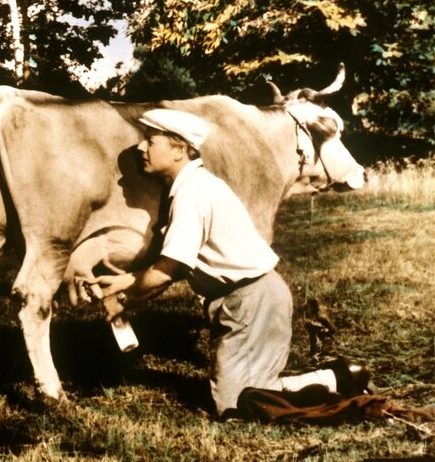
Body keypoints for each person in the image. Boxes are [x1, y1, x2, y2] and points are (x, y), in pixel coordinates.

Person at [86, 109, 369, 419]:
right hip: (247, 299)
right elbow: (177, 262)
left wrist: (124, 298)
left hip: (251, 300)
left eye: (151, 141)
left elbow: (170, 269)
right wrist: (122, 282)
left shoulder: (191, 194)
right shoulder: (193, 185)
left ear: (180, 149)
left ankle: (335, 378)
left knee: (235, 408)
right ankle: (338, 377)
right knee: (249, 396)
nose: (141, 148)